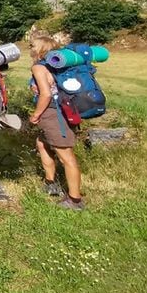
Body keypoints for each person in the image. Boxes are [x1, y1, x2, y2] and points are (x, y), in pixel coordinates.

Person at [28, 34, 85, 210]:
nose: (30, 49)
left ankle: (75, 200)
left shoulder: (39, 68)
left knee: (66, 156)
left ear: (40, 49)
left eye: (32, 46)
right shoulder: (57, 66)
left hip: (53, 114)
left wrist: (36, 115)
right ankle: (50, 182)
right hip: (62, 111)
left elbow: (45, 94)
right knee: (42, 143)